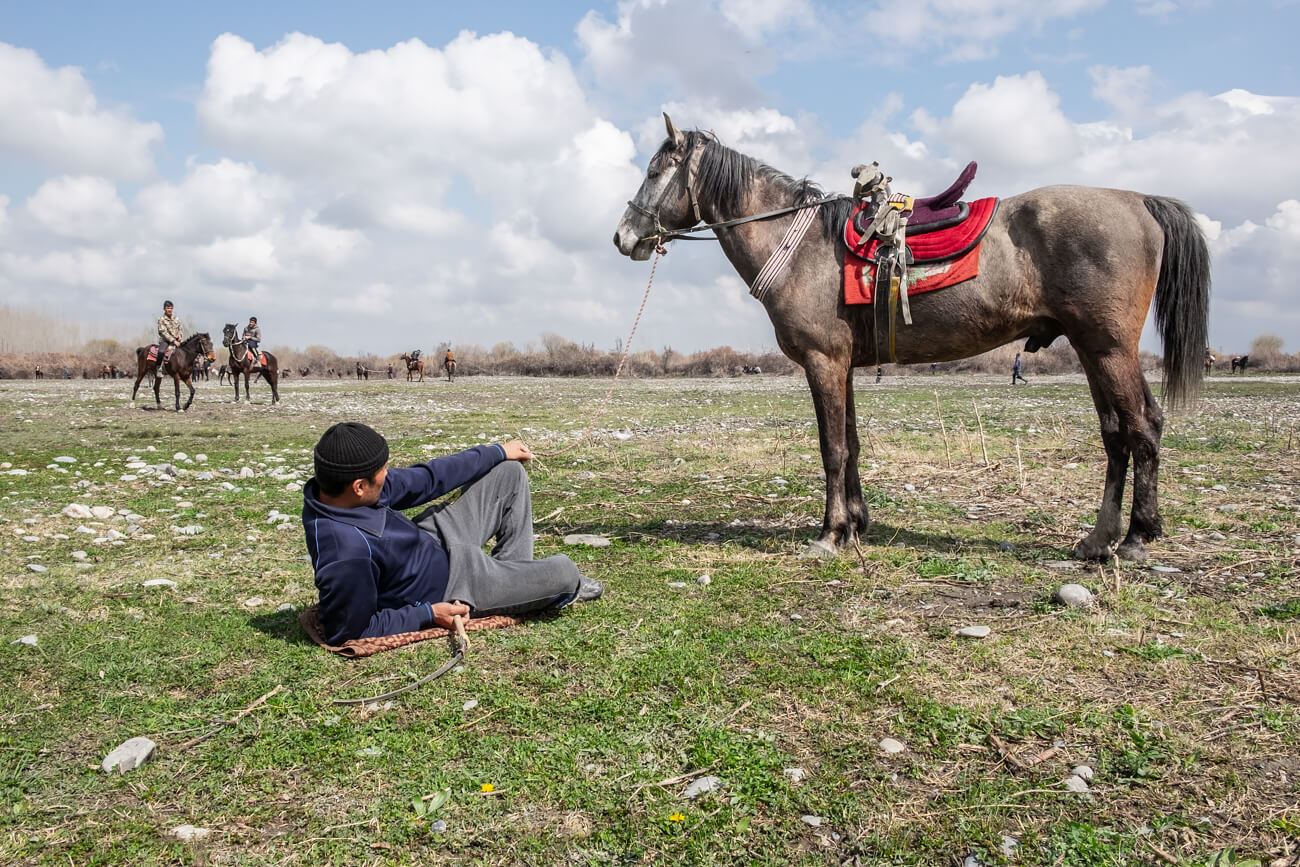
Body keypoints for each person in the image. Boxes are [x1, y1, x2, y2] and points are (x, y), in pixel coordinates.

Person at [302, 422, 603, 644]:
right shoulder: (345, 554)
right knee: (566, 573)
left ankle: (511, 579)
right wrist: (428, 614)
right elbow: (351, 630)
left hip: (432, 540)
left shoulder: (344, 491)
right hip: (451, 584)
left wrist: (497, 451)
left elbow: (430, 477)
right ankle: (518, 587)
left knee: (508, 473)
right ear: (359, 486)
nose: (388, 475)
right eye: (383, 472)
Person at [155, 300, 183, 373]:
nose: (169, 310)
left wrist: (180, 335)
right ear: (164, 309)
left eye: (171, 308)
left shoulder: (176, 318)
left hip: (177, 340)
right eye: (167, 308)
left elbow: (180, 327)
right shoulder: (161, 319)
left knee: (186, 351)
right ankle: (158, 368)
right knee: (161, 352)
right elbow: (163, 332)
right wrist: (173, 341)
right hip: (165, 340)